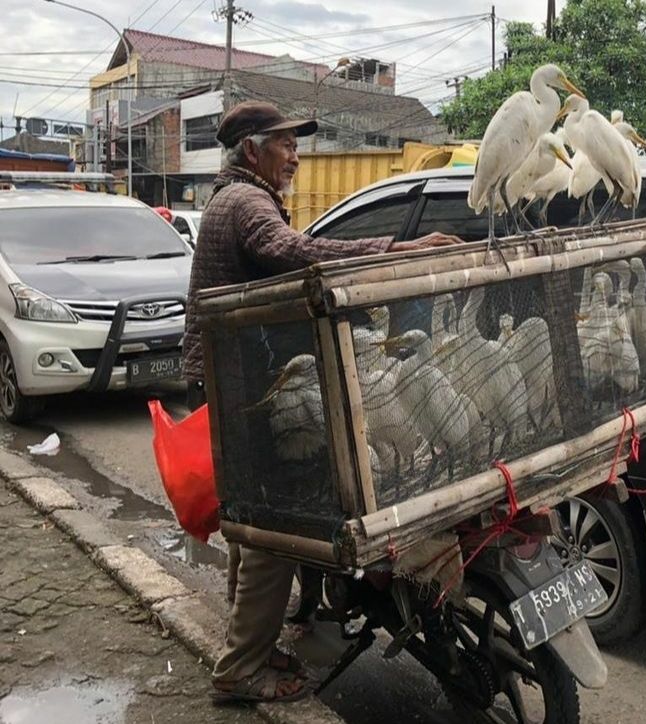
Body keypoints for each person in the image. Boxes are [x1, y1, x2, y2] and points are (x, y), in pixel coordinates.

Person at [182, 101, 461, 704]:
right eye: (285, 143)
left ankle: (250, 637)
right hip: (245, 383)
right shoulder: (245, 202)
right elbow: (289, 252)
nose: (297, 153)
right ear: (253, 150)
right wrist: (390, 251)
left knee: (251, 519)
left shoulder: (236, 196)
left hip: (237, 377)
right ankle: (240, 669)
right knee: (274, 525)